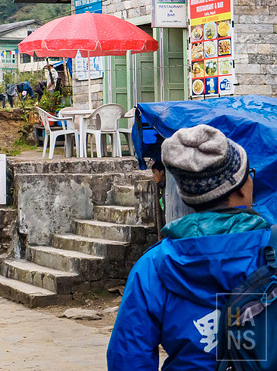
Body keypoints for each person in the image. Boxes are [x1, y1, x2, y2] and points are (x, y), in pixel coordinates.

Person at [107, 125, 273, 370]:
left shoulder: (153, 267)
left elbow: (128, 358)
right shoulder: (271, 248)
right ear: (241, 186)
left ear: (186, 196)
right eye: (249, 173)